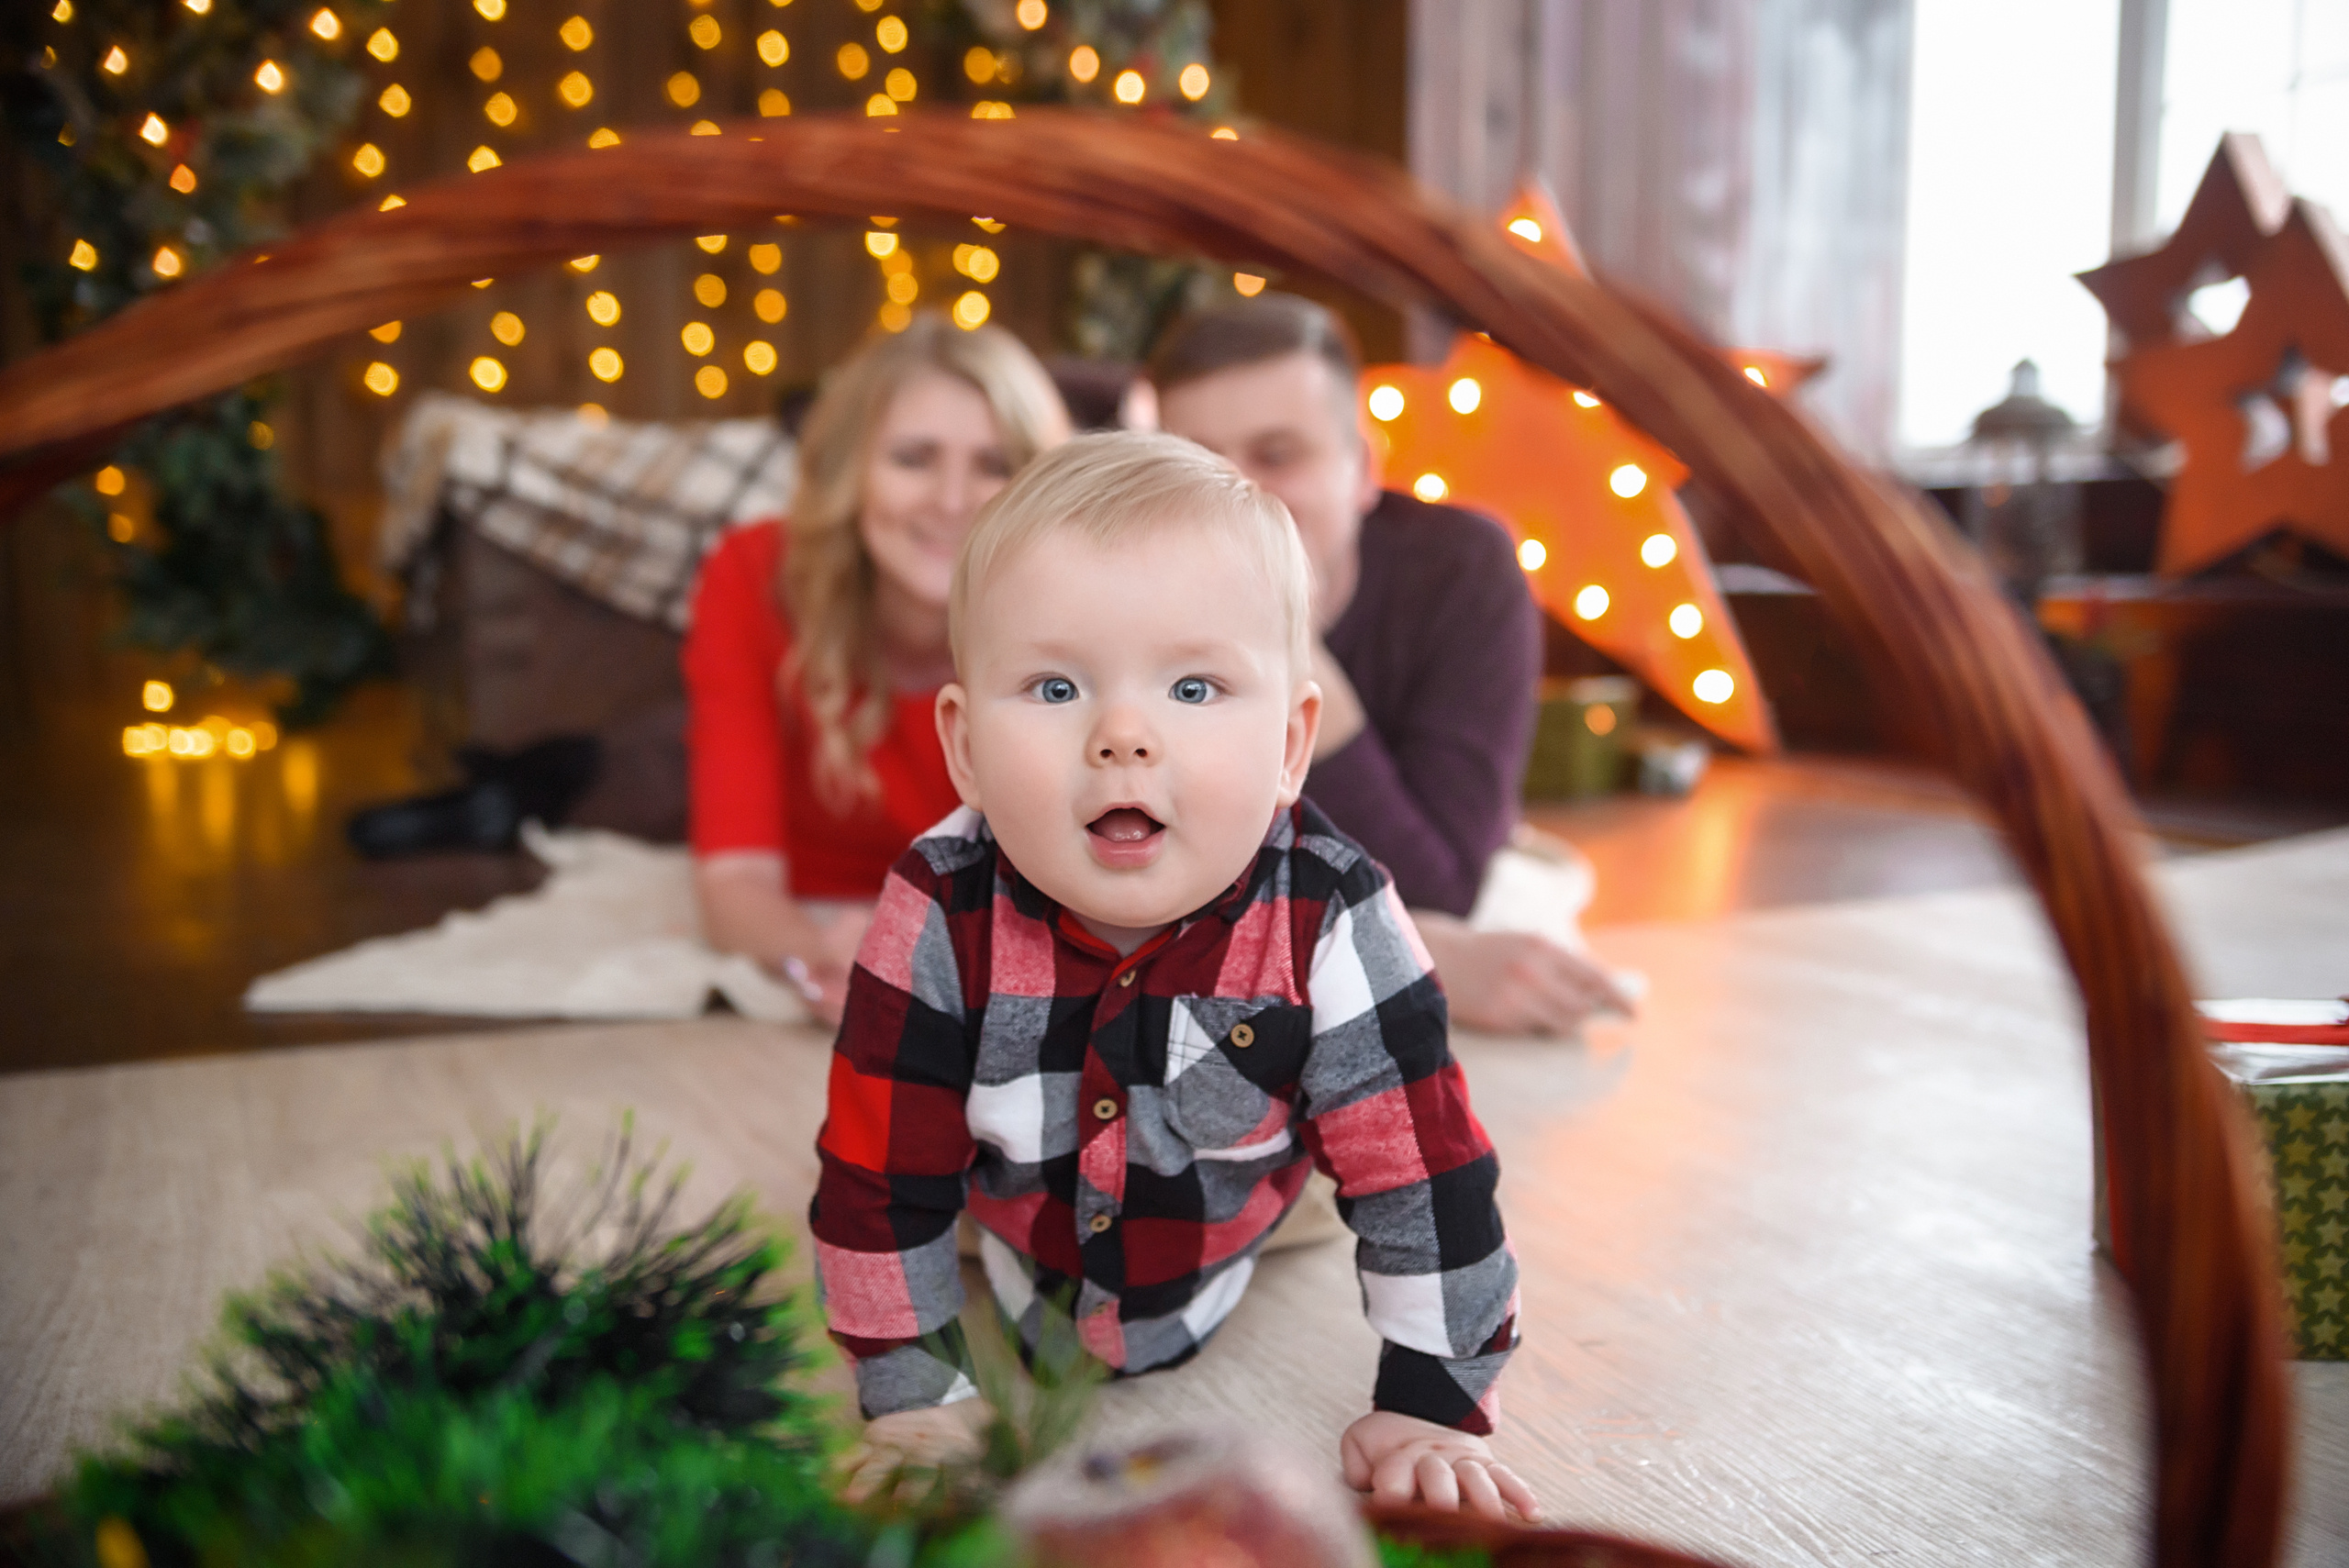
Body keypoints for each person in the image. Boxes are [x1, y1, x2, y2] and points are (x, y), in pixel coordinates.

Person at [813, 433, 1540, 1523]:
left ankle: (1270, 1192)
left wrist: (1435, 1402)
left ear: (1292, 745)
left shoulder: (1333, 913)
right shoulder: (935, 903)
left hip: (1243, 1194)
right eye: (1055, 685)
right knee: (899, 1170)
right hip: (1010, 1206)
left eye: (1194, 685)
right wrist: (913, 1392)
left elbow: (1422, 1172)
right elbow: (878, 1171)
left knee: (1357, 1150)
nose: (1122, 736)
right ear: (963, 748)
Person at [1149, 296, 1634, 1036]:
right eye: (1197, 461)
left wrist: (1292, 657)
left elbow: (1442, 887)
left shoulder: (1462, 572)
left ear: (1362, 471)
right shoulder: (1124, 595)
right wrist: (1426, 954)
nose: (1235, 493)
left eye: (1277, 455)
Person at [684, 315, 1072, 1021]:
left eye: (993, 465)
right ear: (850, 470)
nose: (952, 501)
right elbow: (734, 882)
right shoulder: (751, 576)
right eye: (914, 458)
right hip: (814, 919)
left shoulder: (1080, 614)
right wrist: (828, 948)